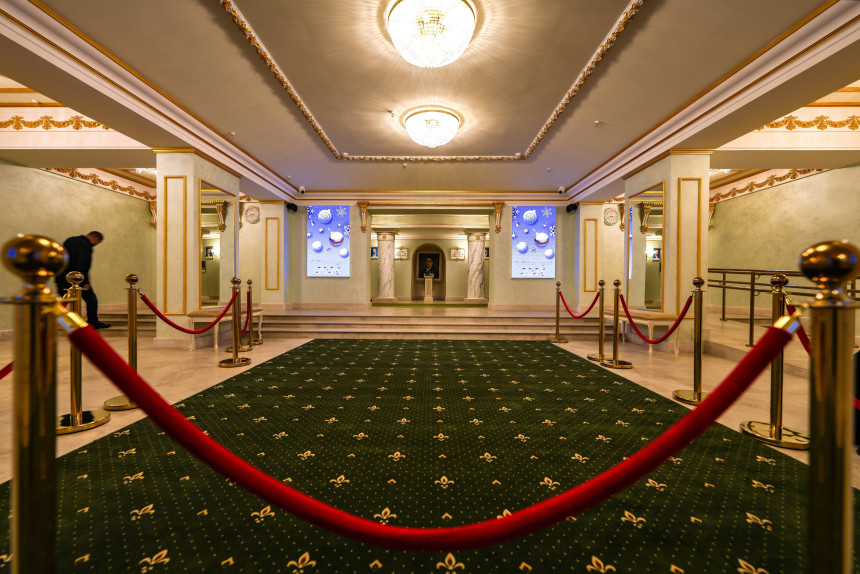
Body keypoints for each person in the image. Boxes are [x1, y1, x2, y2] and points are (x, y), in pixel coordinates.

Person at [55, 231, 111, 329]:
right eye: (97, 243)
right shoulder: (86, 246)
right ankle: (93, 322)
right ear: (95, 239)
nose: (95, 244)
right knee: (91, 299)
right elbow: (82, 264)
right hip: (77, 279)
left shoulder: (70, 240)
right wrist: (85, 282)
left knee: (62, 299)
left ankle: (48, 321)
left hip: (62, 276)